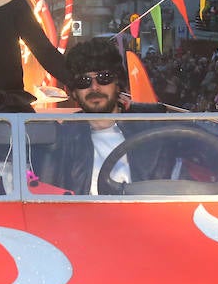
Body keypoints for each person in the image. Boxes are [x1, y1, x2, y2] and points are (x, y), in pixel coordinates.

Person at [40, 39, 167, 195]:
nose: (94, 87)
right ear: (73, 91)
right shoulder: (63, 139)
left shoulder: (154, 125)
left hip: (146, 215)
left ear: (118, 83)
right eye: (83, 81)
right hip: (85, 217)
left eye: (104, 77)